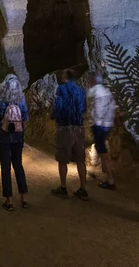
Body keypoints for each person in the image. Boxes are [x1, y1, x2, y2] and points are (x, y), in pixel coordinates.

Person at [0, 74, 29, 211]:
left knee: (5, 167)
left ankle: (9, 200)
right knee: (18, 165)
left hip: (2, 136)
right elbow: (26, 116)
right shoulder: (21, 98)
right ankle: (24, 199)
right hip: (18, 137)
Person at [51, 69, 88, 200]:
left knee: (62, 159)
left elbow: (58, 107)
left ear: (65, 77)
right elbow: (84, 108)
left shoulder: (61, 89)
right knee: (80, 159)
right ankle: (83, 189)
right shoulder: (81, 90)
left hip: (65, 126)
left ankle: (63, 187)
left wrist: (53, 116)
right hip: (78, 127)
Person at [87, 72, 116, 190]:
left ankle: (110, 180)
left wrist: (93, 120)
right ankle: (95, 170)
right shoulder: (107, 91)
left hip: (98, 125)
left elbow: (96, 110)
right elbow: (112, 107)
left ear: (93, 81)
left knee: (103, 153)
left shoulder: (94, 91)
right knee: (100, 148)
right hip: (107, 124)